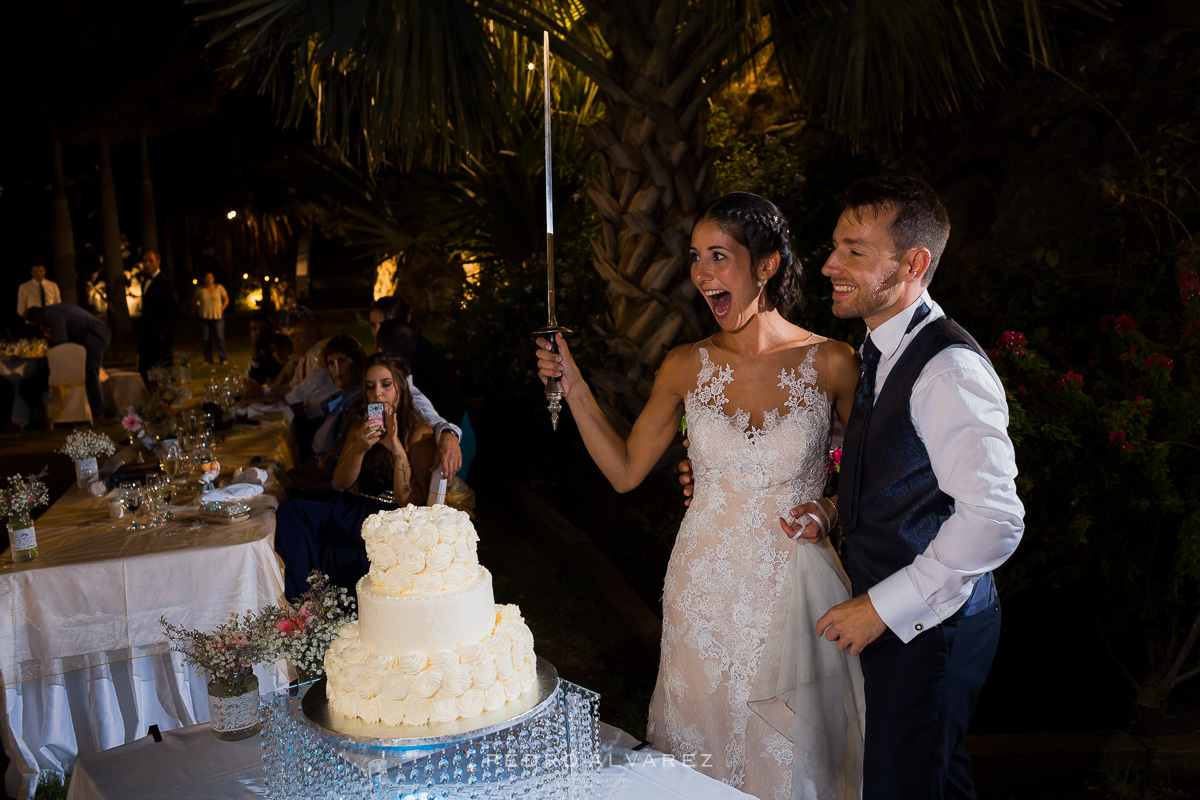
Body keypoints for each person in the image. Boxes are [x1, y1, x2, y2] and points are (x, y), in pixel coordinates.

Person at [535, 193, 865, 799]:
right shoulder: (685, 366)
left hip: (793, 589)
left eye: (719, 256)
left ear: (766, 265)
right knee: (703, 746)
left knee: (791, 751)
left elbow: (869, 476)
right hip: (702, 589)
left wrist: (830, 507)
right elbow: (627, 470)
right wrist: (574, 384)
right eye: (695, 258)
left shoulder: (834, 363)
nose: (702, 274)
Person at [800, 176, 1024, 800]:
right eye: (835, 248)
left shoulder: (947, 368)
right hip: (912, 619)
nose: (829, 266)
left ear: (914, 263)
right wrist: (834, 508)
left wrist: (881, 606)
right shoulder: (882, 349)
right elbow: (905, 471)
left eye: (854, 251)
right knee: (934, 783)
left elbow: (994, 517)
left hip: (934, 626)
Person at [274, 352, 435, 598]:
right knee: (291, 511)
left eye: (386, 385)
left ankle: (318, 602)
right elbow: (341, 482)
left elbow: (410, 503)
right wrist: (360, 447)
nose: (377, 394)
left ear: (401, 386)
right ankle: (304, 602)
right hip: (354, 506)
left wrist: (397, 451)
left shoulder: (418, 432)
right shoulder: (362, 424)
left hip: (391, 518)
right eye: (370, 387)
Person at [368, 297, 464, 478]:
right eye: (373, 325)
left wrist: (447, 432)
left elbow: (423, 403)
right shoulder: (377, 367)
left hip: (451, 427)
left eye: (383, 324)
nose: (377, 331)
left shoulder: (416, 354)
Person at [24, 303, 112, 418]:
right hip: (91, 335)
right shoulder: (51, 310)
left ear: (37, 318)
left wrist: (49, 336)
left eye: (35, 324)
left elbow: (61, 340)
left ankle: (98, 412)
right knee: (87, 373)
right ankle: (92, 408)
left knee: (91, 374)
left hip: (95, 335)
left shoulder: (54, 316)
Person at [138, 250, 178, 383]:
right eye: (145, 261)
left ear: (158, 262)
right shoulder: (145, 283)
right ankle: (151, 400)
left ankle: (167, 401)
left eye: (150, 261)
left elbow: (172, 310)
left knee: (164, 371)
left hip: (160, 337)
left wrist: (165, 334)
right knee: (146, 372)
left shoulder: (165, 283)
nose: (147, 264)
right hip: (147, 336)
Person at [194, 271, 230, 365]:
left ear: (213, 279)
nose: (209, 280)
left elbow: (226, 299)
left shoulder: (219, 288)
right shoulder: (200, 289)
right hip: (205, 316)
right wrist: (198, 310)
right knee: (206, 338)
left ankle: (223, 358)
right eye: (207, 277)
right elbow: (194, 301)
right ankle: (207, 359)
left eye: (211, 277)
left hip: (217, 316)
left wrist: (221, 309)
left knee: (220, 337)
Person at [247, 313, 282, 386]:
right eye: (254, 329)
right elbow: (255, 381)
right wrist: (255, 358)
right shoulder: (259, 352)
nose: (259, 333)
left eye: (262, 328)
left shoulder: (278, 349)